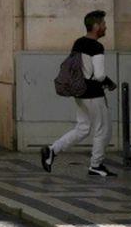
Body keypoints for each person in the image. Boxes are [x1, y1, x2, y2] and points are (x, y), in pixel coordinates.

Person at [41, 10, 118, 178]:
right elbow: (99, 75)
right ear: (96, 26)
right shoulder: (97, 47)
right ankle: (96, 165)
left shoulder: (78, 43)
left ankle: (52, 150)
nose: (105, 27)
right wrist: (110, 83)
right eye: (104, 24)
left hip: (79, 92)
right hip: (93, 93)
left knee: (83, 128)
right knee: (103, 129)